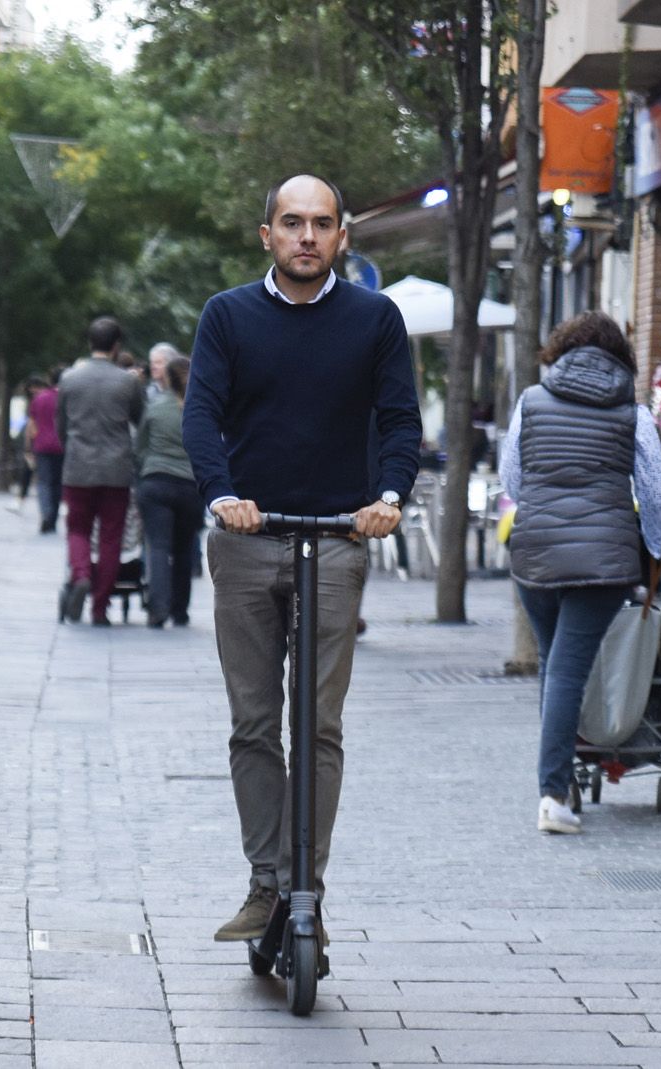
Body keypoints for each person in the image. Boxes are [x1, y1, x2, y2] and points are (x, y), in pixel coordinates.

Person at [182, 174, 420, 962]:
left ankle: (301, 885)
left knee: (318, 723)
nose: (307, 237)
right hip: (248, 538)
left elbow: (400, 421)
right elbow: (201, 418)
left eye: (322, 224)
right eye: (293, 223)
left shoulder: (376, 319)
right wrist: (222, 495)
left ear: (343, 237)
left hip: (337, 536)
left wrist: (387, 497)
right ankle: (264, 881)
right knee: (254, 721)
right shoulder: (227, 315)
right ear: (267, 235)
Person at [499, 311, 661, 835]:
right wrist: (655, 548)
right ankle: (553, 795)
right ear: (619, 358)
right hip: (604, 562)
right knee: (567, 671)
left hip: (536, 555)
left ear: (560, 351)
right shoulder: (633, 413)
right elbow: (658, 494)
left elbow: (512, 475)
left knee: (557, 668)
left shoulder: (530, 402)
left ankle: (564, 784)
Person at [56, 316, 145, 625]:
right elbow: (140, 419)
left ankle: (80, 575)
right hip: (116, 469)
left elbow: (61, 426)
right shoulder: (128, 381)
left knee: (77, 529)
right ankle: (99, 607)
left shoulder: (69, 379)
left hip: (78, 467)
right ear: (116, 345)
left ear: (89, 342)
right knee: (111, 538)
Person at [135, 354, 202, 628]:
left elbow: (140, 447)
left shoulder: (154, 406)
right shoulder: (201, 407)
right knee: (185, 548)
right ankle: (180, 610)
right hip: (191, 486)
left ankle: (158, 609)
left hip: (156, 482)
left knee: (158, 546)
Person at [29, 366, 64, 534]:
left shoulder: (39, 398)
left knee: (43, 482)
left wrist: (31, 445)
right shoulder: (66, 399)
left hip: (42, 445)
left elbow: (32, 425)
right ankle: (53, 519)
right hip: (61, 446)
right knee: (57, 484)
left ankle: (45, 513)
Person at [7, 375, 45, 514]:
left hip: (43, 441)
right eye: (31, 387)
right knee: (27, 472)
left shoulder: (44, 400)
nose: (34, 390)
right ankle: (20, 500)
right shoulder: (33, 402)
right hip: (37, 441)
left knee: (43, 475)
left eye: (37, 386)